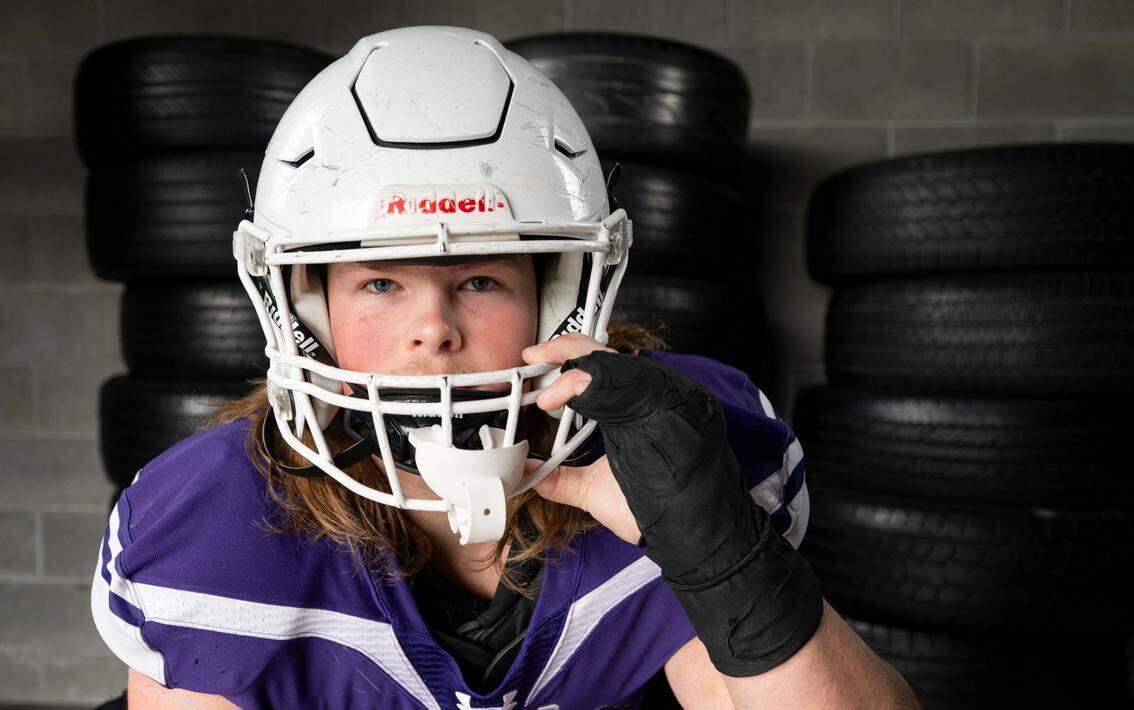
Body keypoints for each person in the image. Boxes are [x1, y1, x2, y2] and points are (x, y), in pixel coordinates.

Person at [91, 26, 918, 709]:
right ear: (309, 315)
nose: (434, 331)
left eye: (480, 279)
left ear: (557, 303)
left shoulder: (669, 456)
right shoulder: (215, 532)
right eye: (380, 282)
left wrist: (722, 555)